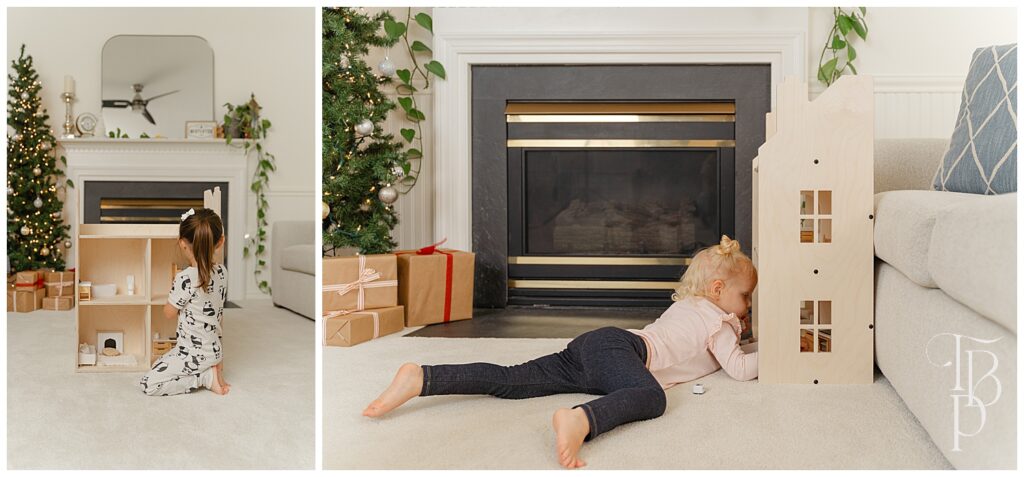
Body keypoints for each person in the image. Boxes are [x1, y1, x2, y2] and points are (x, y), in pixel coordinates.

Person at [363, 235, 759, 468]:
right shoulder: (719, 322)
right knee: (650, 398)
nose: (748, 306)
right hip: (623, 352)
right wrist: (777, 352)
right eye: (746, 297)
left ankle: (423, 377)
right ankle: (580, 420)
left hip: (596, 348)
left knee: (513, 379)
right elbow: (738, 368)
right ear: (719, 292)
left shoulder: (688, 305)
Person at [140, 208, 230, 396]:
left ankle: (204, 378)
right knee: (158, 364)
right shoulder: (222, 272)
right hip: (214, 350)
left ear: (182, 244)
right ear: (220, 242)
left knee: (149, 383)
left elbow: (168, 312)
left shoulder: (186, 278)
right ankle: (210, 371)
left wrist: (173, 292)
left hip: (193, 353)